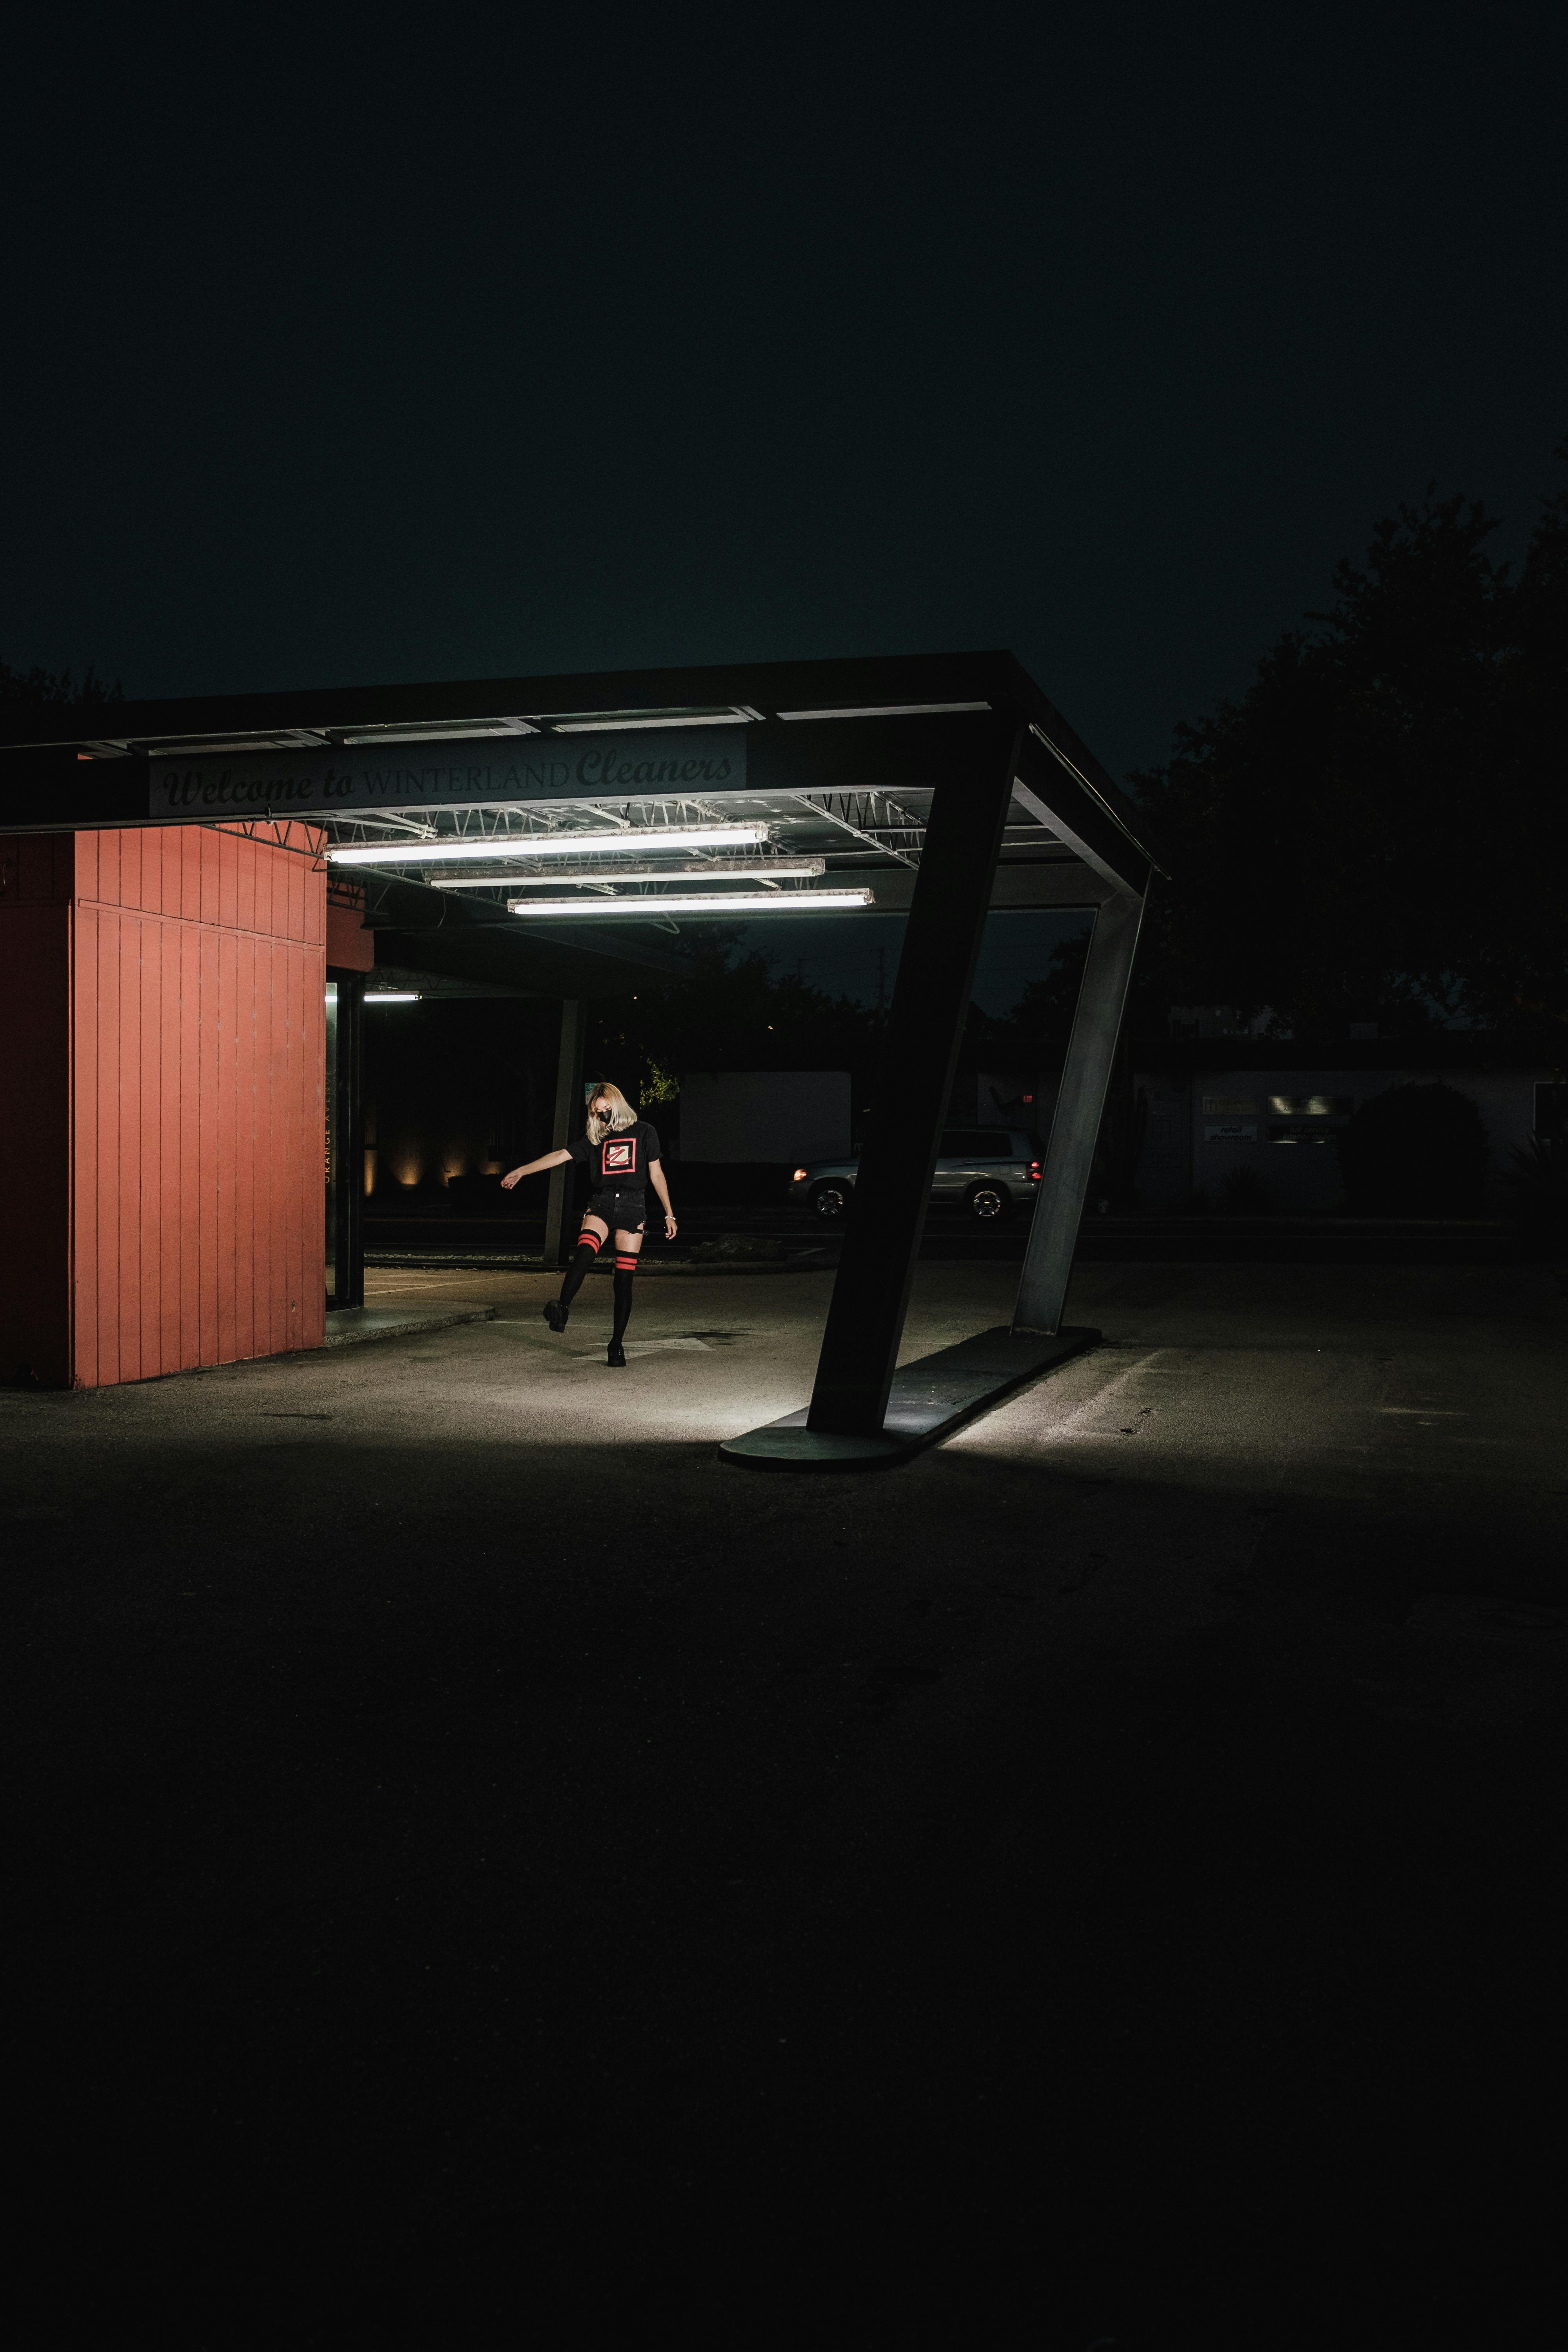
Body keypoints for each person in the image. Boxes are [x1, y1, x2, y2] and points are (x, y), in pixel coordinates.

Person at [501, 1082, 677, 1366]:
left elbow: (656, 1174)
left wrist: (669, 1213)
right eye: (597, 1112)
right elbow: (560, 1156)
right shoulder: (596, 1140)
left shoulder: (645, 1132)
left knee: (623, 1281)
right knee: (584, 1254)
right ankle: (563, 1307)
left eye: (607, 1110)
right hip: (603, 1204)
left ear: (618, 1105)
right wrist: (521, 1171)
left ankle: (616, 1344)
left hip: (633, 1209)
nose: (603, 1115)